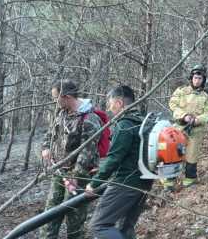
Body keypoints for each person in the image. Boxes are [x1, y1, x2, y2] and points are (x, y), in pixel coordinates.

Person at [86, 85, 153, 239]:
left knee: (99, 226)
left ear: (119, 103)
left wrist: (94, 183)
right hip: (144, 182)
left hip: (126, 183)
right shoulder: (142, 122)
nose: (109, 108)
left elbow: (114, 158)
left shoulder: (125, 125)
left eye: (110, 104)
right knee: (125, 227)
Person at [40, 79, 102, 239]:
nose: (55, 101)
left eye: (56, 98)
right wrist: (46, 147)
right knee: (49, 216)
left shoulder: (90, 119)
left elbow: (87, 153)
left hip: (78, 177)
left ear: (66, 96)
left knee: (74, 221)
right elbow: (50, 134)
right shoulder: (61, 113)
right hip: (59, 173)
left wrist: (75, 177)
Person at [164, 64, 208, 190]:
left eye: (200, 78)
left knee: (192, 154)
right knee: (173, 152)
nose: (197, 80)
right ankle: (169, 182)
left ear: (203, 79)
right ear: (191, 78)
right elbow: (173, 105)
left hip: (196, 129)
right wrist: (184, 116)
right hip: (179, 127)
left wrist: (198, 120)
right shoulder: (181, 90)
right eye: (195, 78)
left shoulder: (207, 95)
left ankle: (190, 179)